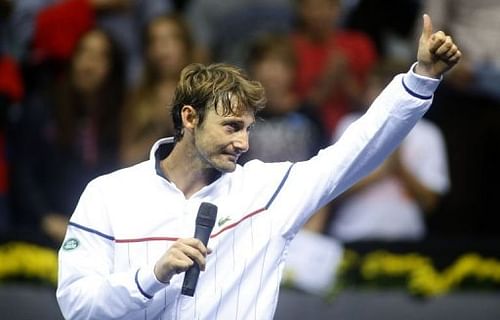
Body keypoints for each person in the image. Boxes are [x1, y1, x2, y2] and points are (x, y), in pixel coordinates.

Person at [56, 15, 461, 319]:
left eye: (249, 129)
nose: (244, 143)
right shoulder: (107, 194)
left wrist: (421, 78)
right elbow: (77, 306)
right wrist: (153, 275)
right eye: (232, 126)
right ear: (190, 118)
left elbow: (356, 150)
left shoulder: (267, 190)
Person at [10, 28, 125, 245]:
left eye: (100, 56)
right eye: (84, 53)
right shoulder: (42, 106)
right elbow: (23, 171)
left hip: (94, 230)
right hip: (37, 227)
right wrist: (45, 218)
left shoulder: (119, 117)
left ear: (113, 69)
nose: (89, 64)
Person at [328, 61, 450, 241]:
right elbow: (329, 191)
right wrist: (381, 170)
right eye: (372, 87)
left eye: (383, 89)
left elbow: (431, 202)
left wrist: (399, 167)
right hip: (352, 234)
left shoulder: (428, 134)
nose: (375, 95)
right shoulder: (350, 125)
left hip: (407, 238)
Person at [120, 13, 195, 166]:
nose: (163, 47)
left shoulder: (205, 92)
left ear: (186, 45)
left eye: (171, 39)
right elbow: (126, 159)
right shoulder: (139, 97)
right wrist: (158, 125)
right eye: (155, 41)